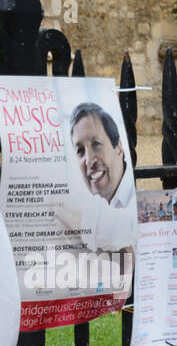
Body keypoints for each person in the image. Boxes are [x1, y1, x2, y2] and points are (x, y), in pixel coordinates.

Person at [52, 101, 137, 253]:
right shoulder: (89, 201)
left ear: (118, 148)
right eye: (80, 150)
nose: (89, 160)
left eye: (96, 144)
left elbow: (126, 240)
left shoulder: (135, 200)